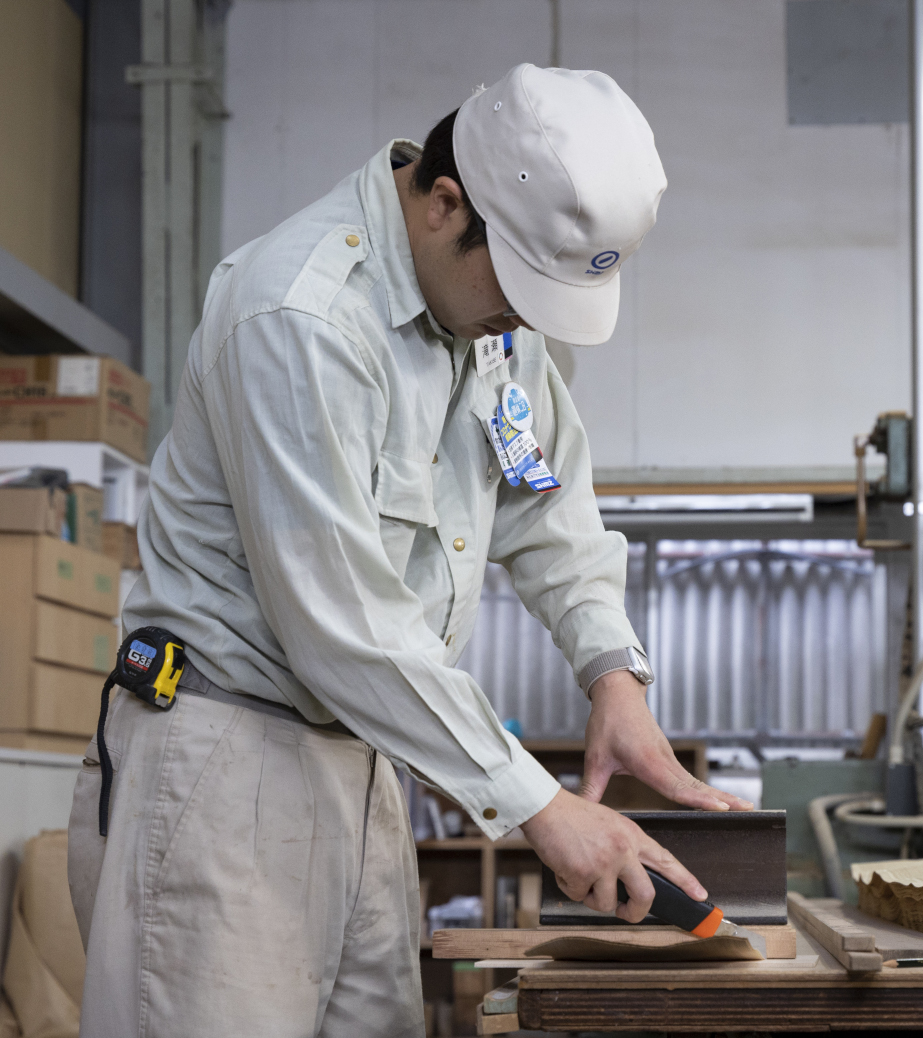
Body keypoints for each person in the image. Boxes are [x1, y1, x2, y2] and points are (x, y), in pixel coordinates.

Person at [67, 63, 751, 1037]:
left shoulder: (487, 330)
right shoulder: (301, 317)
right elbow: (342, 624)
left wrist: (614, 677)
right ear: (444, 202)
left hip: (366, 760)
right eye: (517, 290)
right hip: (224, 764)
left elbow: (545, 498)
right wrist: (541, 810)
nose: (520, 323)